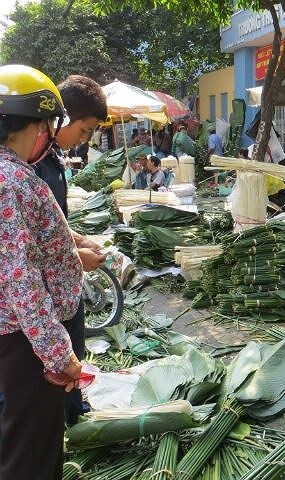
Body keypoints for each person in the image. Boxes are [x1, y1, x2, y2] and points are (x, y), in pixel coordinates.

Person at [0, 64, 84, 480]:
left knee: (29, 442)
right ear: (35, 123)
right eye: (50, 125)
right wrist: (58, 353)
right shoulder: (10, 180)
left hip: (22, 338)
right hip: (26, 343)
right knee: (30, 457)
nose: (51, 135)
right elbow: (22, 279)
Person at [33, 74, 108, 426]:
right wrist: (77, 258)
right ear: (61, 118)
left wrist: (78, 241)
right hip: (47, 293)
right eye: (85, 130)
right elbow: (26, 249)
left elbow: (54, 225)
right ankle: (67, 424)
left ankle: (74, 414)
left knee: (74, 352)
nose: (86, 138)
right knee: (58, 364)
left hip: (65, 287)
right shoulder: (28, 169)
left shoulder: (53, 158)